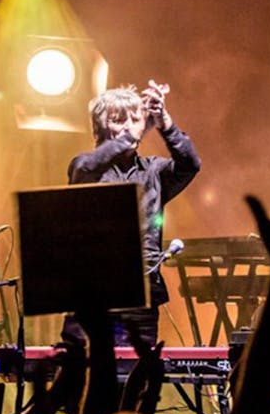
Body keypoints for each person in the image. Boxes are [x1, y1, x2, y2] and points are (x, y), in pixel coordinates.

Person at [63, 81, 201, 346]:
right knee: (83, 369)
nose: (129, 125)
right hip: (92, 291)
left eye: (135, 119)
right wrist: (133, 133)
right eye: (119, 120)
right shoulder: (86, 166)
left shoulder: (154, 171)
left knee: (135, 371)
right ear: (100, 129)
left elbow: (190, 165)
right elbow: (86, 167)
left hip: (142, 293)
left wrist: (165, 123)